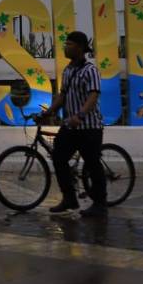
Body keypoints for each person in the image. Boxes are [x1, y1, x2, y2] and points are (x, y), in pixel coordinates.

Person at [39, 30, 107, 218]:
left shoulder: (90, 70)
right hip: (70, 126)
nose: (65, 47)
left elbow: (93, 95)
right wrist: (48, 112)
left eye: (69, 44)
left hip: (89, 127)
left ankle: (100, 203)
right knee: (59, 158)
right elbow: (62, 96)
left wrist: (81, 114)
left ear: (80, 47)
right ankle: (69, 198)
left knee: (93, 164)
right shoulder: (68, 70)